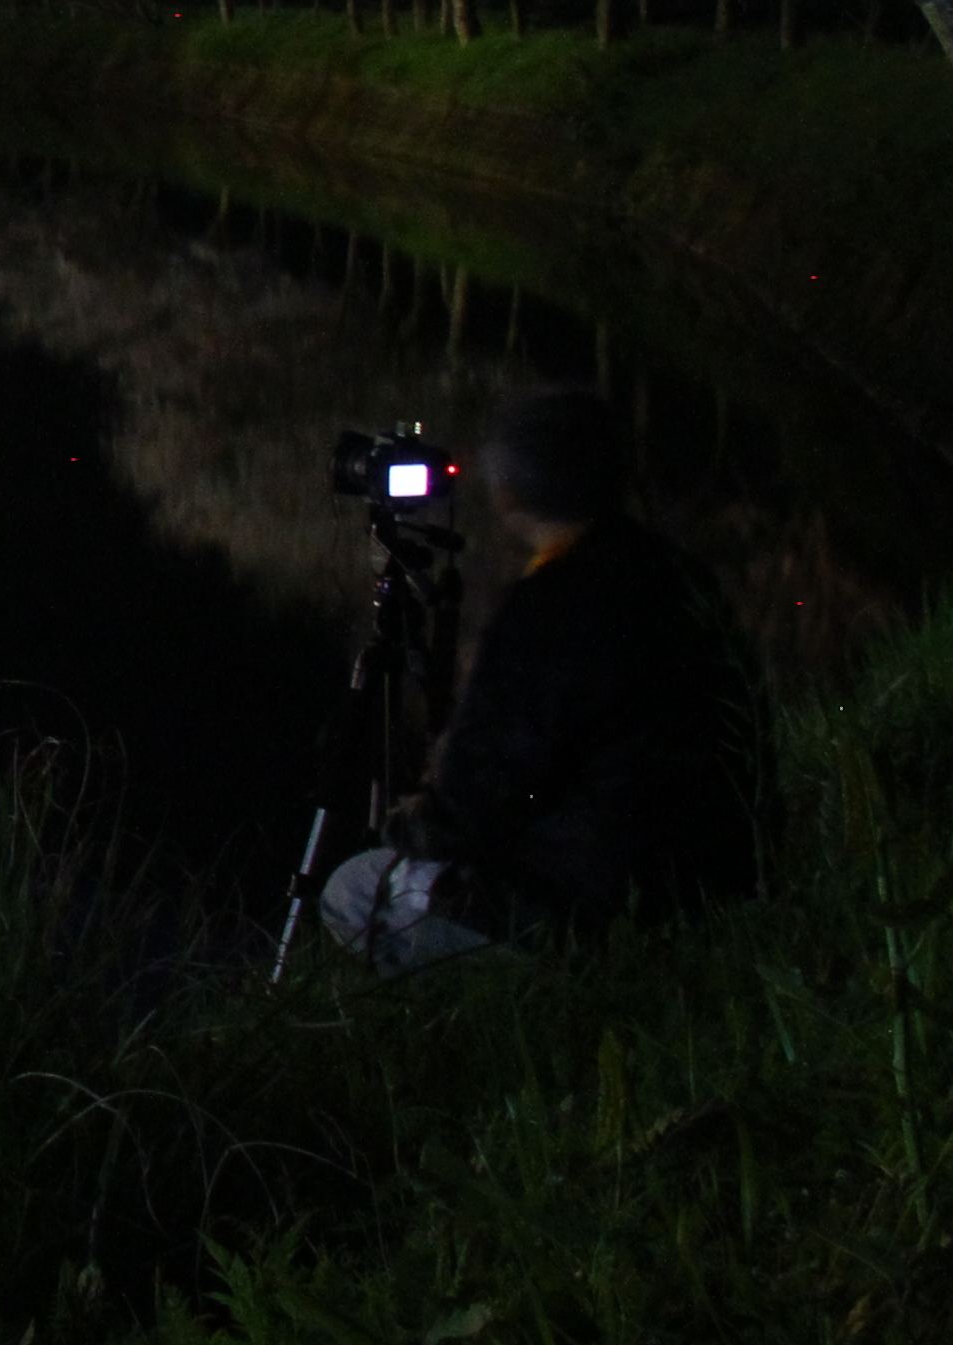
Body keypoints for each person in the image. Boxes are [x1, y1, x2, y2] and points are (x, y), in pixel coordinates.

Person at [317, 388, 763, 970]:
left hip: (591, 907)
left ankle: (473, 1016)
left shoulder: (544, 608)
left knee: (351, 888)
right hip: (717, 877)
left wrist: (410, 826)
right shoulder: (681, 577)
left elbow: (478, 798)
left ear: (509, 495)